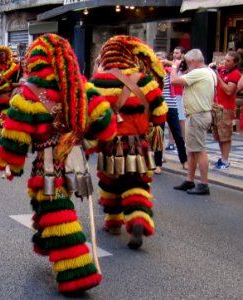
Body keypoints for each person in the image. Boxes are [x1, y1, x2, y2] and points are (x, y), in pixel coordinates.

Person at [0, 33, 117, 294]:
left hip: (48, 164)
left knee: (58, 210)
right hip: (76, 158)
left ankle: (77, 273)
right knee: (46, 202)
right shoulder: (80, 86)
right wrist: (95, 138)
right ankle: (45, 240)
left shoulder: (28, 93)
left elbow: (14, 133)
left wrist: (10, 164)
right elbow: (104, 121)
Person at [90, 35, 167, 249]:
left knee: (110, 182)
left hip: (109, 143)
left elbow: (89, 112)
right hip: (137, 143)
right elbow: (161, 113)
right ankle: (138, 220)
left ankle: (114, 223)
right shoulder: (144, 80)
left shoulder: (97, 80)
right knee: (137, 183)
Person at [171, 49, 217, 195]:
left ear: (193, 62)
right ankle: (189, 180)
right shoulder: (209, 71)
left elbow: (174, 81)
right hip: (198, 114)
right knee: (192, 149)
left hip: (197, 115)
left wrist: (174, 67)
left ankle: (204, 184)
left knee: (199, 150)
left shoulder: (199, 72)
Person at [156, 51, 188, 173]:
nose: (158, 61)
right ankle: (158, 164)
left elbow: (183, 66)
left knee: (178, 135)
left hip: (171, 106)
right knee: (159, 135)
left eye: (160, 59)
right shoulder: (153, 73)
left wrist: (168, 63)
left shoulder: (172, 71)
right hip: (158, 107)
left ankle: (184, 160)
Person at [209, 51, 241, 170]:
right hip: (216, 106)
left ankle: (225, 160)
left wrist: (217, 76)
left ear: (235, 63)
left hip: (226, 108)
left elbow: (229, 91)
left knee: (225, 135)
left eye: (228, 61)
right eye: (225, 60)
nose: (225, 63)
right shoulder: (222, 70)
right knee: (218, 135)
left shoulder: (235, 74)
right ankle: (222, 158)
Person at [0, 46, 21, 139]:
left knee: (5, 118)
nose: (2, 56)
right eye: (1, 55)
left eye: (4, 54)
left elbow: (16, 82)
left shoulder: (14, 68)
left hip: (7, 97)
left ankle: (5, 136)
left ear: (8, 55)